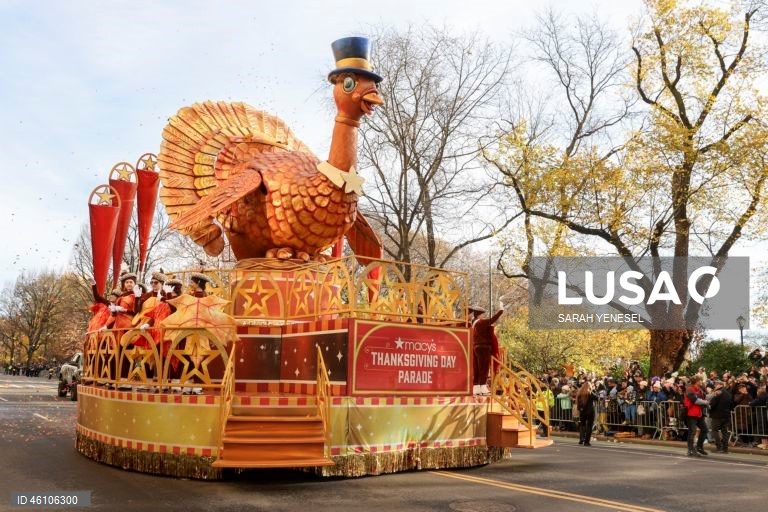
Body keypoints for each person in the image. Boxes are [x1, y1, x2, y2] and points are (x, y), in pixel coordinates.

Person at [468, 301, 504, 395]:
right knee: (484, 368)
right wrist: (501, 310)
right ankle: (483, 387)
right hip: (483, 347)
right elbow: (492, 319)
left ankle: (476, 388)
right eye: (483, 314)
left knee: (477, 368)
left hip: (476, 347)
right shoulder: (481, 322)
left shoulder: (474, 323)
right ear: (479, 315)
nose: (484, 316)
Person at [683, 375, 709, 456]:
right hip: (691, 413)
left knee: (705, 429)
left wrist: (714, 394)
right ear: (696, 381)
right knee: (692, 432)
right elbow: (695, 400)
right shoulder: (689, 389)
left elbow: (705, 397)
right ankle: (690, 449)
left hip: (699, 413)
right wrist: (705, 402)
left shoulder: (700, 389)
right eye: (700, 380)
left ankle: (699, 447)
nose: (702, 382)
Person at [708, 380, 733, 453]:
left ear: (720, 385)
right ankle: (725, 449)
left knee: (714, 430)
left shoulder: (718, 393)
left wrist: (709, 407)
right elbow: (731, 404)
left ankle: (719, 447)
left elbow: (712, 404)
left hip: (717, 415)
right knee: (724, 432)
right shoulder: (728, 393)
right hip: (726, 415)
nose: (715, 386)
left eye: (716, 385)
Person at [576, 381, 596, 446]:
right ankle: (586, 441)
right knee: (589, 426)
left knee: (582, 425)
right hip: (590, 412)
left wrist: (580, 409)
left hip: (582, 411)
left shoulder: (580, 393)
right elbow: (597, 398)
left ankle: (581, 439)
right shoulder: (590, 393)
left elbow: (578, 403)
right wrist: (593, 390)